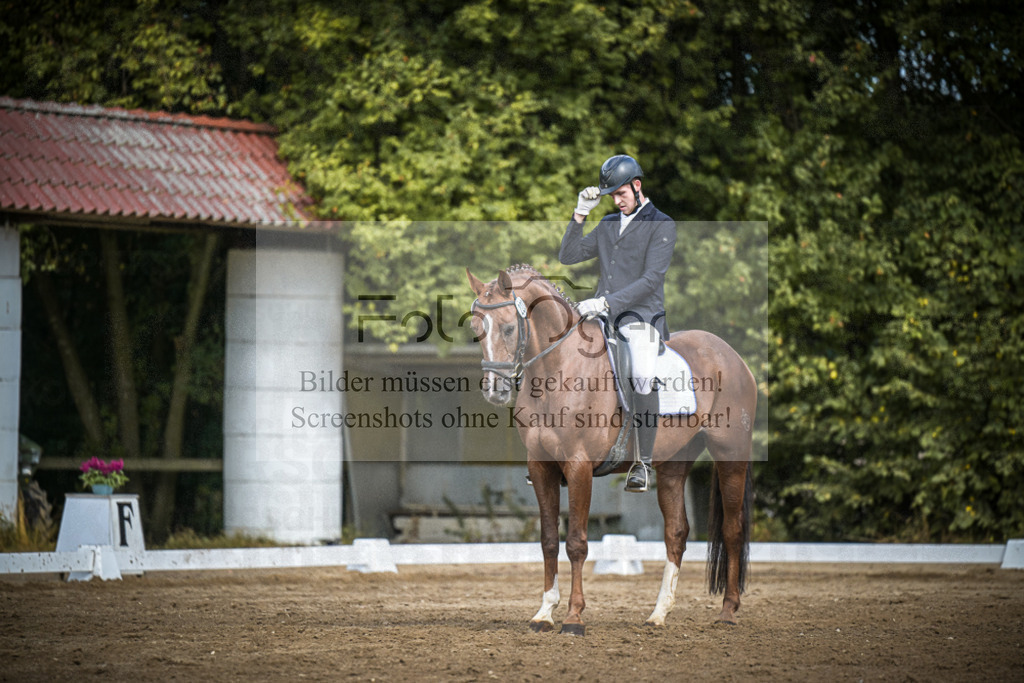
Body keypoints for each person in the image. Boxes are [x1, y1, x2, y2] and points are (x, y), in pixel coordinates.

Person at [559, 154, 677, 492]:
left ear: (637, 187)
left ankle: (643, 462)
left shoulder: (662, 224)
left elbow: (652, 279)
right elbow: (568, 255)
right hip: (601, 316)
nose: (617, 201)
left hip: (640, 316)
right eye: (612, 196)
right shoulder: (610, 223)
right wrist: (580, 213)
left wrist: (606, 302)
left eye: (621, 194)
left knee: (641, 372)